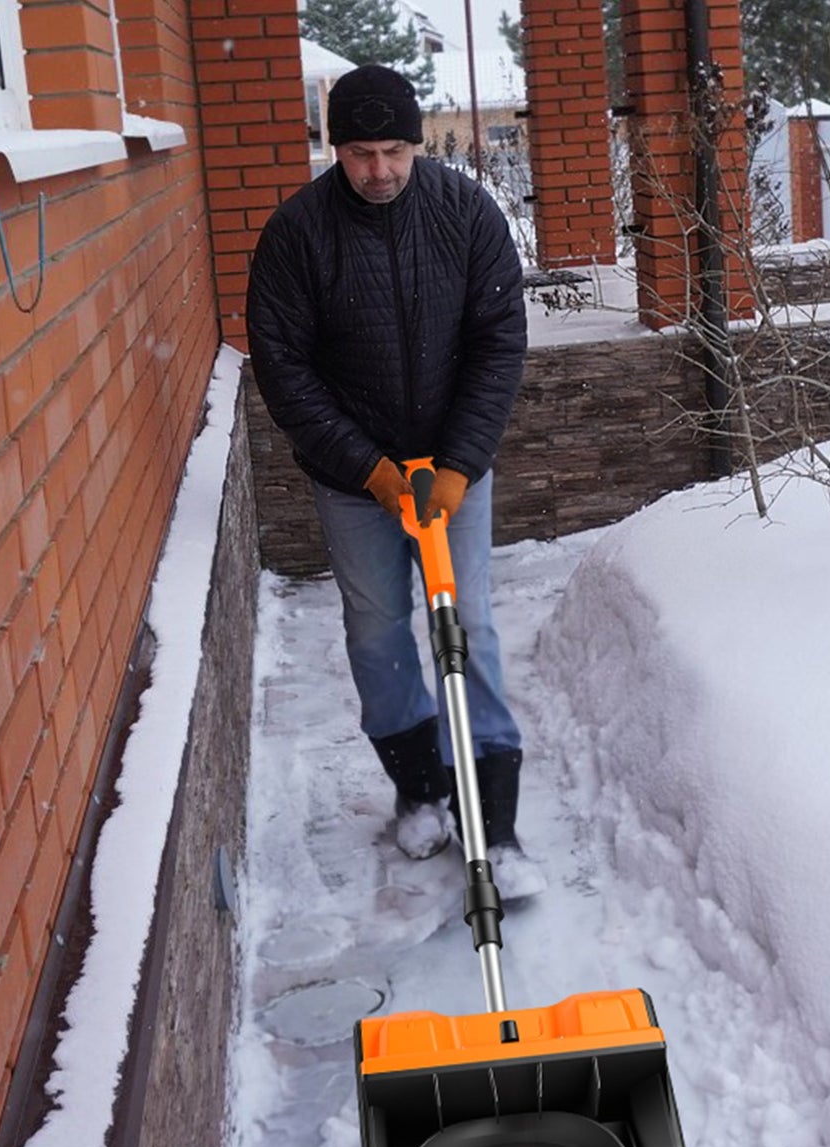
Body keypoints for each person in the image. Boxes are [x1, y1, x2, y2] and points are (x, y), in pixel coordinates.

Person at [246, 63, 544, 897]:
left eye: (392, 151)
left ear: (417, 144)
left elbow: (498, 342)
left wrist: (457, 465)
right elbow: (285, 372)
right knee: (377, 634)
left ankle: (498, 824)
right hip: (356, 482)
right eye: (358, 152)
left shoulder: (464, 214)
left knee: (469, 628)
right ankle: (418, 790)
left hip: (452, 470)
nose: (377, 170)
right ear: (333, 149)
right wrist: (369, 470)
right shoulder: (297, 236)